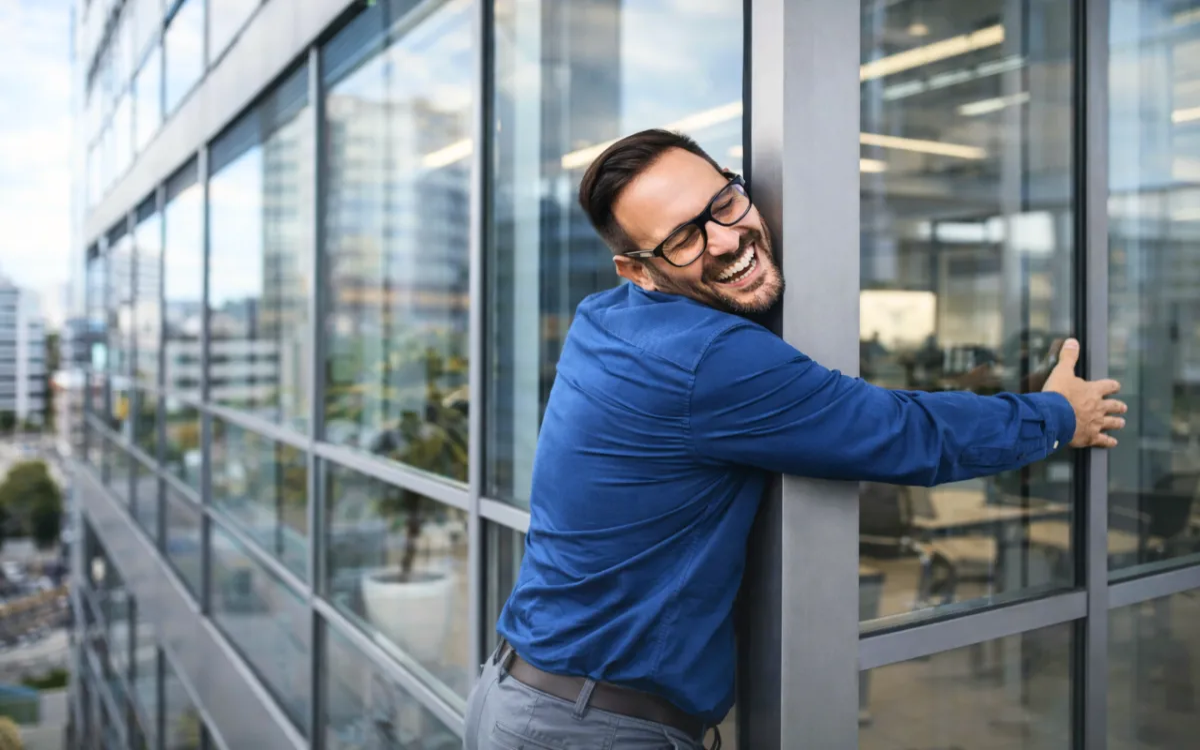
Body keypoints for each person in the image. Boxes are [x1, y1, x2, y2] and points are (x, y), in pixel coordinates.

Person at [463, 129, 1126, 750]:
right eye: (682, 241)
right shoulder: (706, 359)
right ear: (638, 271)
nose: (723, 239)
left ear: (737, 183)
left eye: (723, 204)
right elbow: (900, 434)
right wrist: (1058, 416)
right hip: (587, 730)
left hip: (521, 696)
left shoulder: (606, 320)